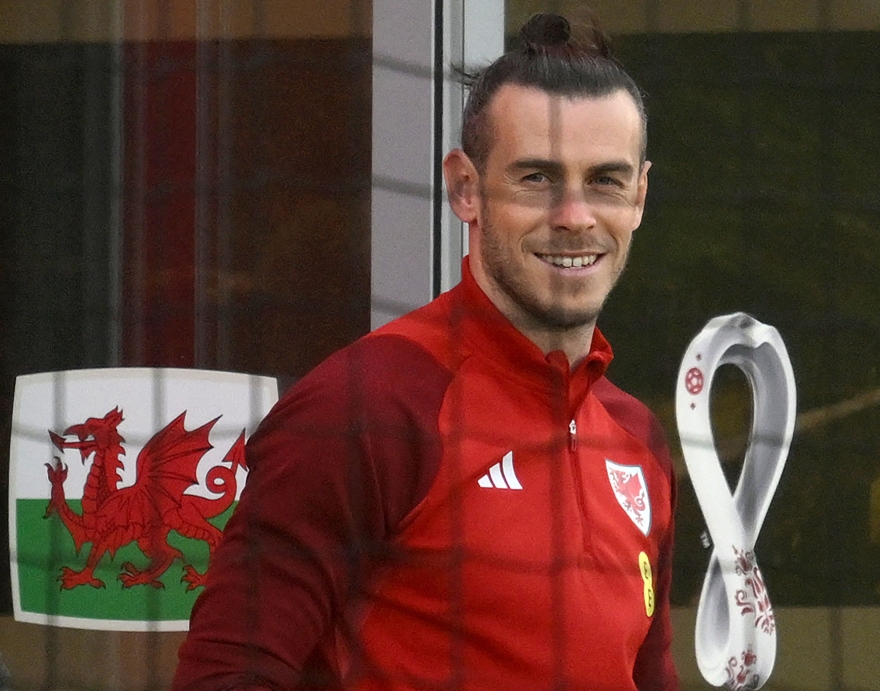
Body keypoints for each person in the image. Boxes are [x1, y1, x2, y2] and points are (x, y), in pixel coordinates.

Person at [173, 12, 678, 691]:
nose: (574, 216)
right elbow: (227, 673)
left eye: (606, 181)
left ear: (640, 195)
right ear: (465, 188)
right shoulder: (364, 409)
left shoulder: (637, 439)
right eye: (536, 178)